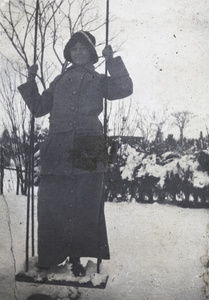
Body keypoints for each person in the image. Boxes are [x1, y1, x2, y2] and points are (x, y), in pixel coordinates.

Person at [18, 31, 133, 276]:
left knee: (85, 204)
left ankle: (77, 259)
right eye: (74, 48)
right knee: (52, 203)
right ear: (69, 53)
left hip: (89, 144)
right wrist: (30, 80)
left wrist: (112, 61)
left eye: (83, 48)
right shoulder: (58, 81)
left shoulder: (99, 79)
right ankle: (50, 257)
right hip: (57, 145)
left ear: (91, 52)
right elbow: (39, 108)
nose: (78, 52)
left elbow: (124, 88)